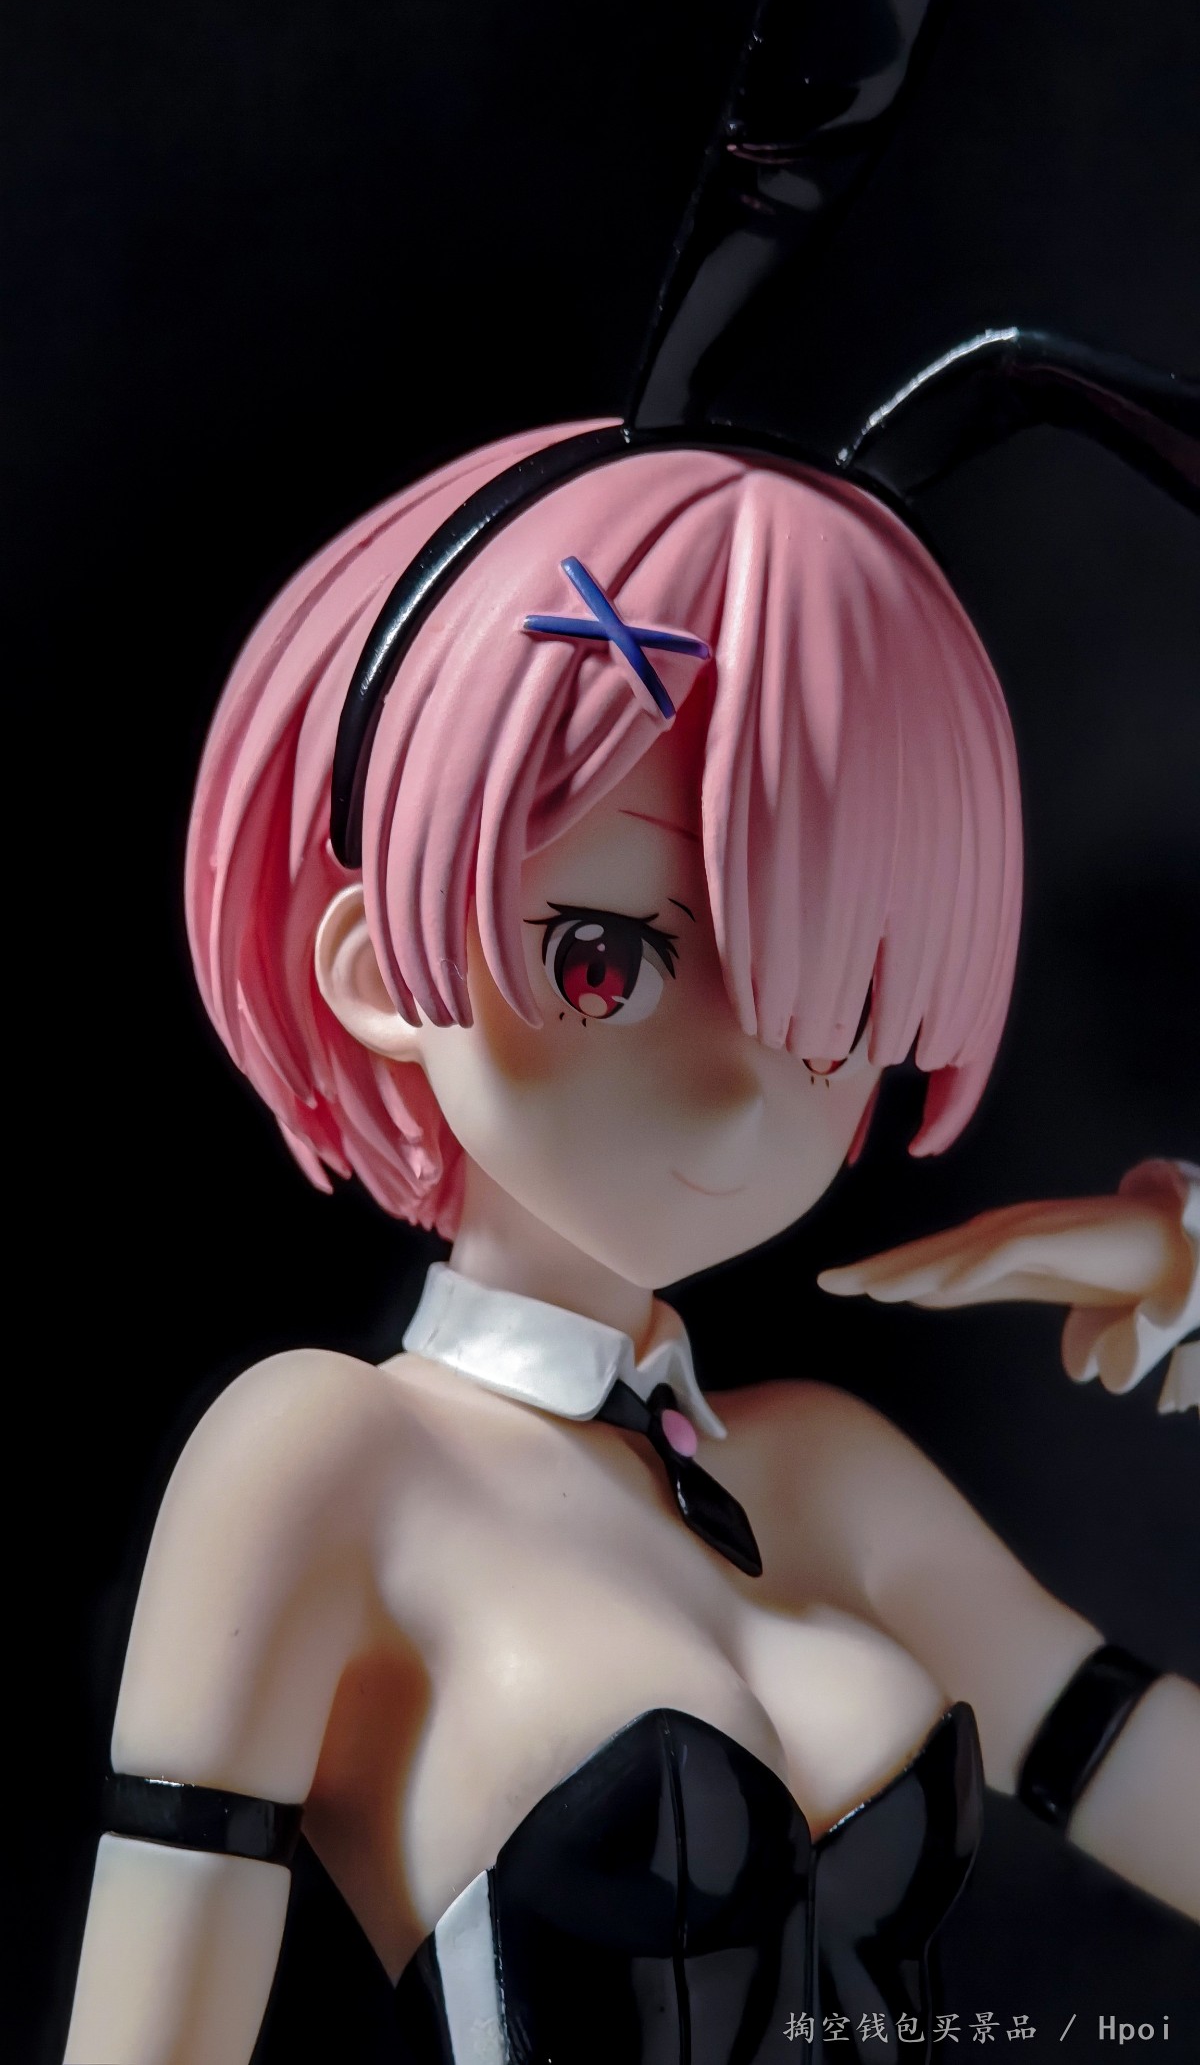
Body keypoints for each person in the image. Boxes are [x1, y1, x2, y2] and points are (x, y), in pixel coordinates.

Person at [63, 429, 1199, 2065]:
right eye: (607, 955)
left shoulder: (827, 1479)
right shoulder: (321, 1462)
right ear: (380, 968)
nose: (743, 1087)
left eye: (832, 1001)